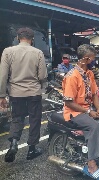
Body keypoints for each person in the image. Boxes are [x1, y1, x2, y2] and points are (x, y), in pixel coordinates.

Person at [62, 44, 99, 178]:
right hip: (74, 112)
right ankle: (92, 165)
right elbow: (68, 102)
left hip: (90, 108)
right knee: (93, 126)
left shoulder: (89, 74)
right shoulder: (72, 76)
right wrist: (89, 112)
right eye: (93, 58)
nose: (94, 61)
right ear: (87, 59)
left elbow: (94, 94)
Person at [0, 27, 47, 162]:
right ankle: (32, 149)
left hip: (16, 93)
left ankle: (14, 142)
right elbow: (42, 75)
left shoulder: (8, 52)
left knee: (17, 118)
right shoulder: (38, 52)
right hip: (34, 92)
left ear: (17, 38)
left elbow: (3, 76)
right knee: (34, 119)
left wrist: (2, 95)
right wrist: (43, 86)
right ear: (32, 40)